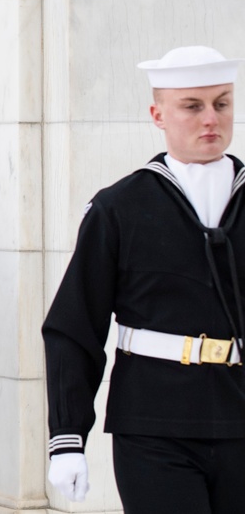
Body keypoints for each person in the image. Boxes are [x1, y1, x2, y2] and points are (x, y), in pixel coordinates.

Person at [43, 46, 245, 513]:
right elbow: (75, 327)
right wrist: (67, 436)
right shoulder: (120, 209)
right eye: (192, 106)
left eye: (222, 102)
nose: (210, 118)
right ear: (158, 114)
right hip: (154, 428)